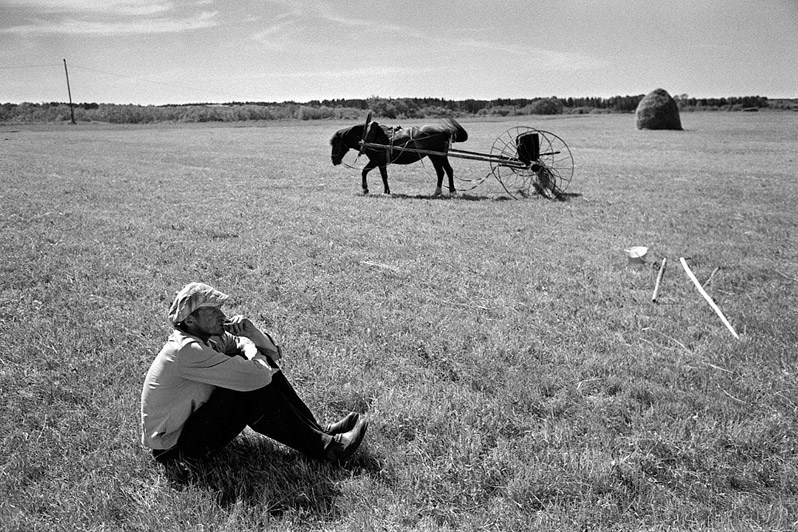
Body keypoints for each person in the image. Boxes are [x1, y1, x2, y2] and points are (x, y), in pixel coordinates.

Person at [140, 282, 367, 464]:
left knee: (254, 367)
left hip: (190, 430)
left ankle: (316, 430)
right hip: (173, 450)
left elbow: (260, 351)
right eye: (212, 310)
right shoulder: (188, 350)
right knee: (248, 387)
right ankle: (329, 449)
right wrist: (252, 354)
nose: (222, 314)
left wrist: (253, 336)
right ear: (190, 320)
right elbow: (259, 377)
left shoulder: (208, 338)